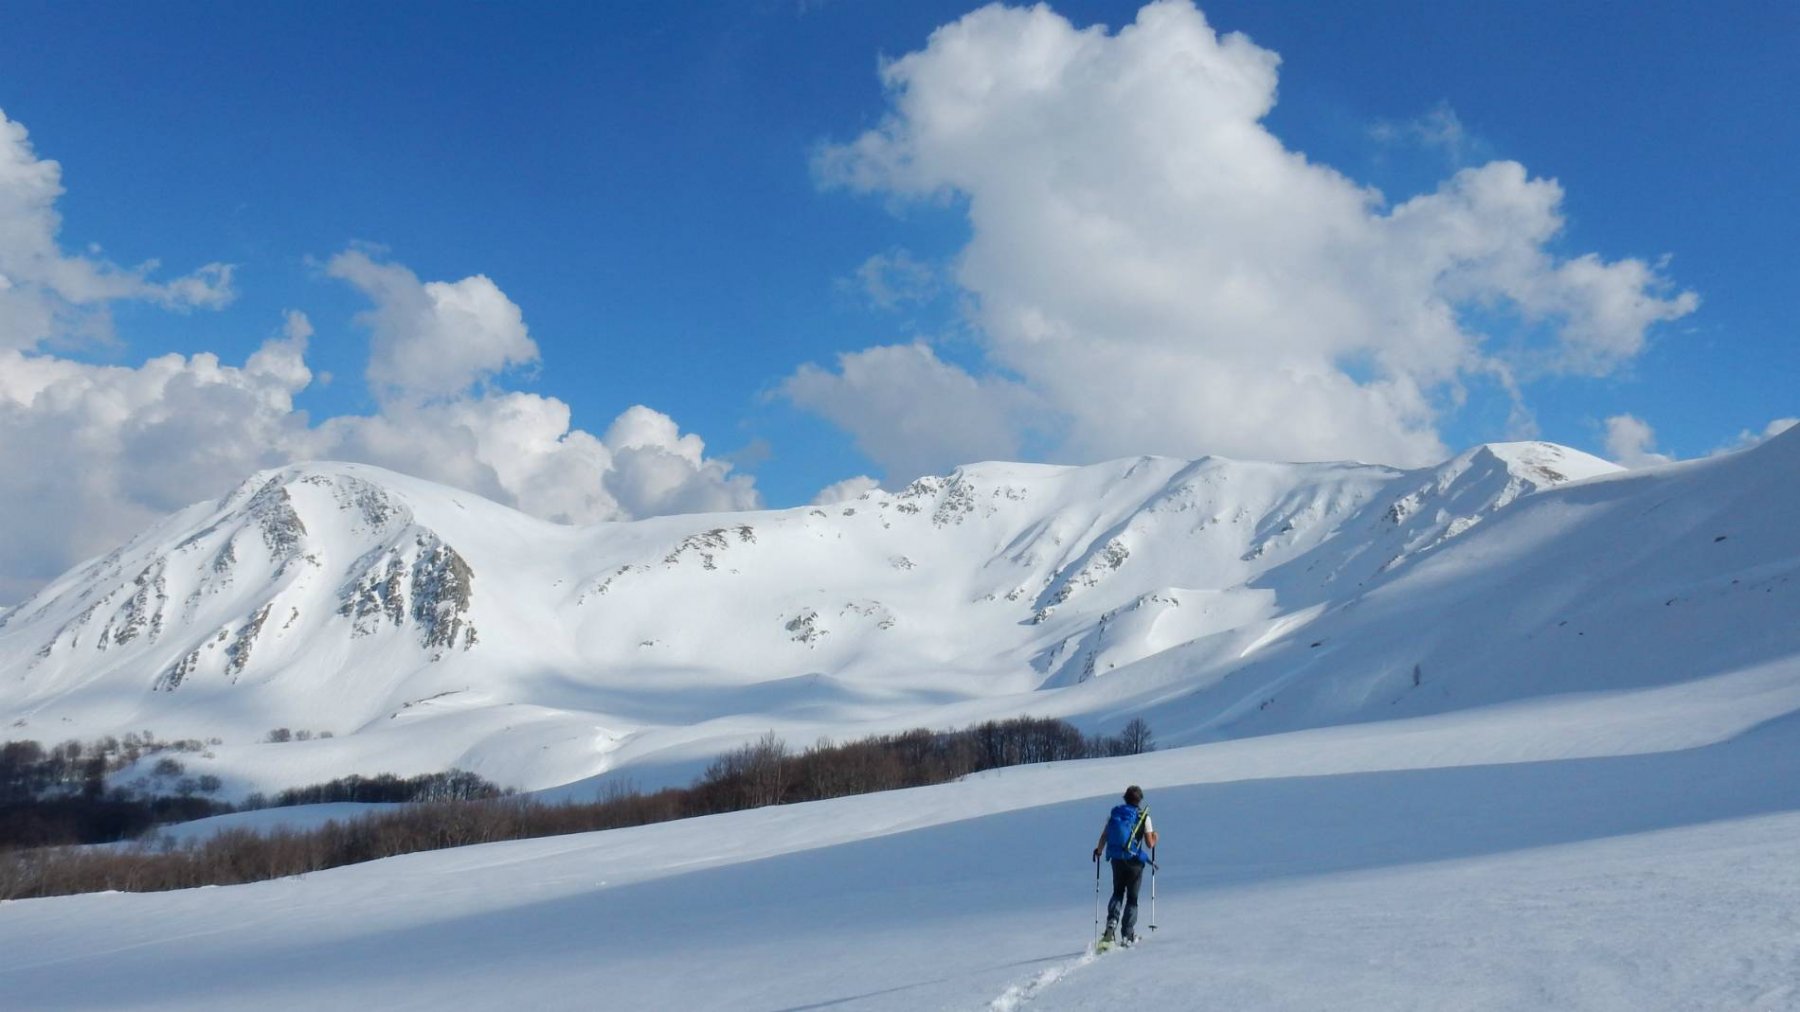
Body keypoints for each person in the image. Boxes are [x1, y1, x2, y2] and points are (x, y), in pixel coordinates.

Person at [1092, 784, 1157, 946]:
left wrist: (1099, 851)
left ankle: (1111, 924)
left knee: (1117, 892)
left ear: (1125, 798)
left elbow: (1105, 835)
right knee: (1132, 899)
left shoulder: (1115, 815)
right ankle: (1127, 934)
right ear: (1139, 800)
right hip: (1135, 862)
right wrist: (1155, 836)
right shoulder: (1144, 817)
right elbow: (1150, 844)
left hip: (1117, 859)